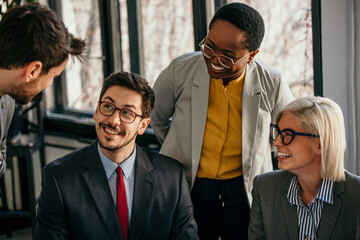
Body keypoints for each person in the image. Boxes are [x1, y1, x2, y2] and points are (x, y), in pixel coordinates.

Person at [150, 2, 293, 239]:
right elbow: (157, 119)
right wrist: (180, 147)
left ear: (252, 56)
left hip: (243, 189)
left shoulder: (273, 83)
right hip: (190, 184)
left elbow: (287, 138)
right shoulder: (180, 70)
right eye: (209, 47)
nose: (214, 60)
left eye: (228, 57)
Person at [34, 72, 198, 240]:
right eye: (108, 107)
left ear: (142, 126)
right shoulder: (59, 178)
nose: (113, 120)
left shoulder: (172, 177)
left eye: (127, 113)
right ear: (97, 111)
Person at [248, 96, 360, 240]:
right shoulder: (264, 188)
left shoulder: (356, 196)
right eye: (277, 132)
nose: (276, 142)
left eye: (288, 135)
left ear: (319, 145)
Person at [0, 3, 86, 176]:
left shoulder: (7, 100)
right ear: (33, 70)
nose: (49, 84)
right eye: (53, 76)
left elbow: (2, 158)